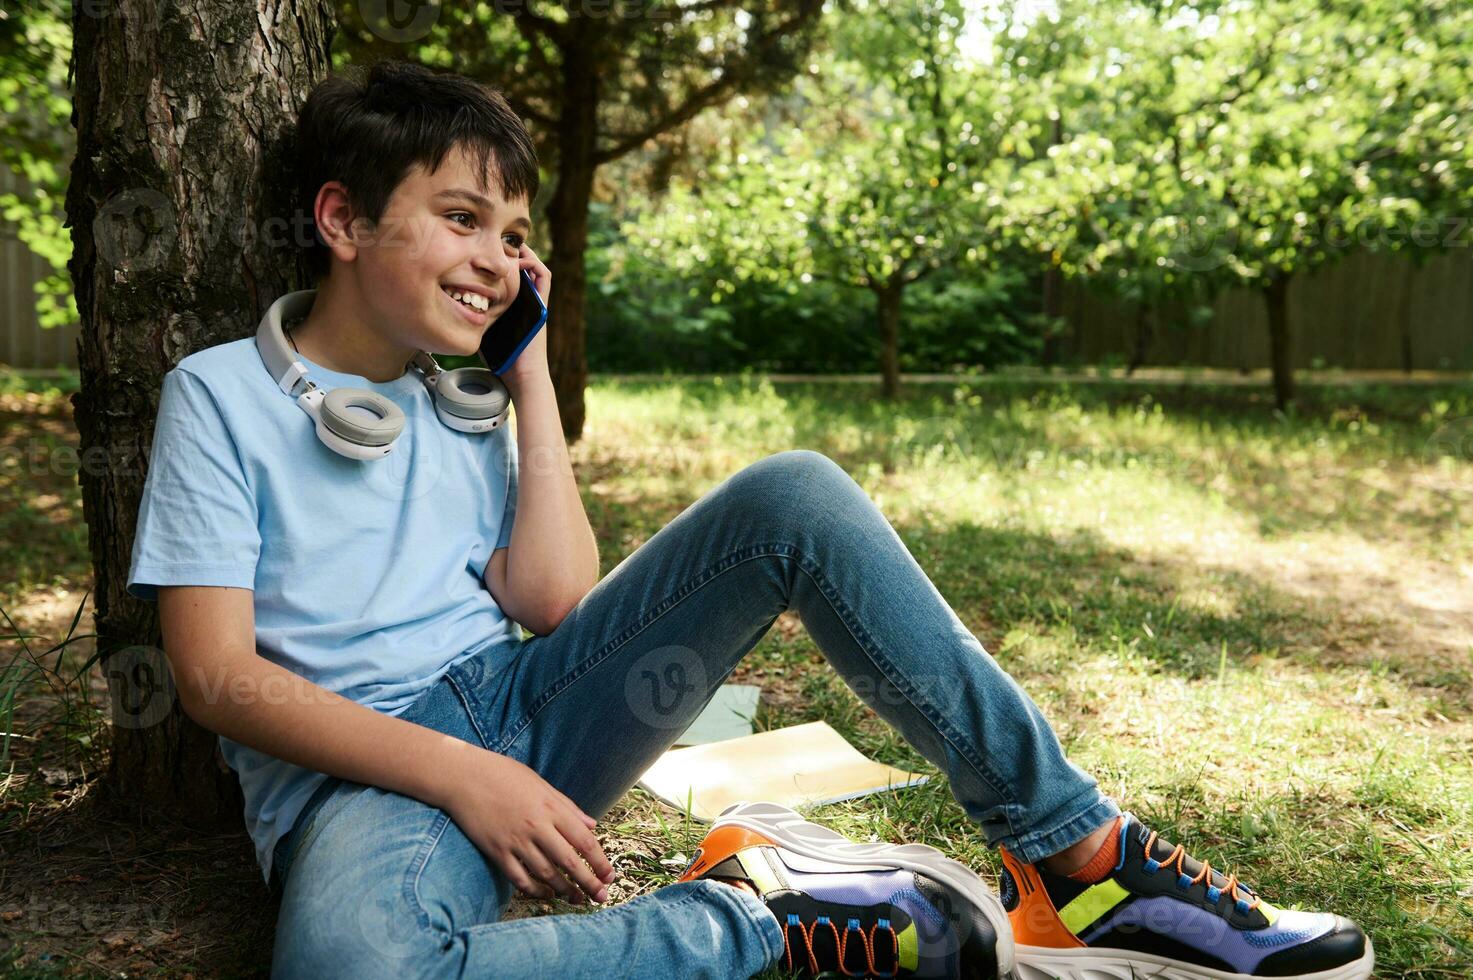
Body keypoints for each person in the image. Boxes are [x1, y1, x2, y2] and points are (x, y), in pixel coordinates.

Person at [126, 60, 1372, 980]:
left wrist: (529, 381)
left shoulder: (462, 397)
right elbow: (219, 678)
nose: (499, 259)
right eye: (462, 219)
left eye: (514, 236)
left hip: (525, 705)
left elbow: (553, 603)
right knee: (359, 972)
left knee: (794, 496)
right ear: (342, 222)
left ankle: (1081, 859)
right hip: (370, 782)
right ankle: (768, 914)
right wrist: (468, 776)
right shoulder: (222, 395)